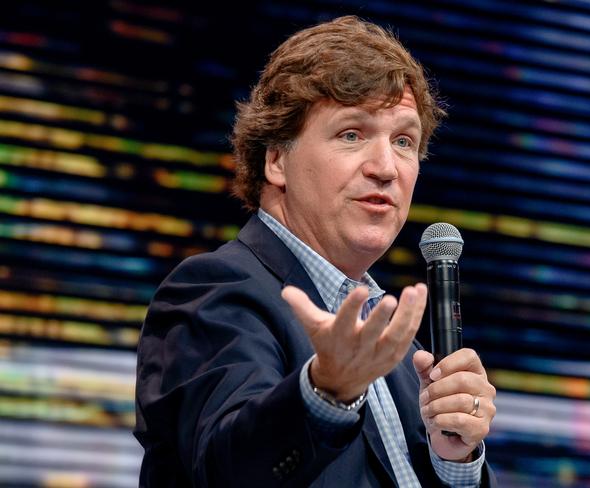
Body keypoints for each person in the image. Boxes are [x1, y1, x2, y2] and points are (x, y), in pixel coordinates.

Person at [135, 15, 497, 487]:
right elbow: (225, 471)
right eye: (351, 134)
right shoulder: (213, 290)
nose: (387, 167)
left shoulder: (399, 347)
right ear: (276, 160)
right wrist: (326, 393)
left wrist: (456, 457)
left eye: (404, 141)